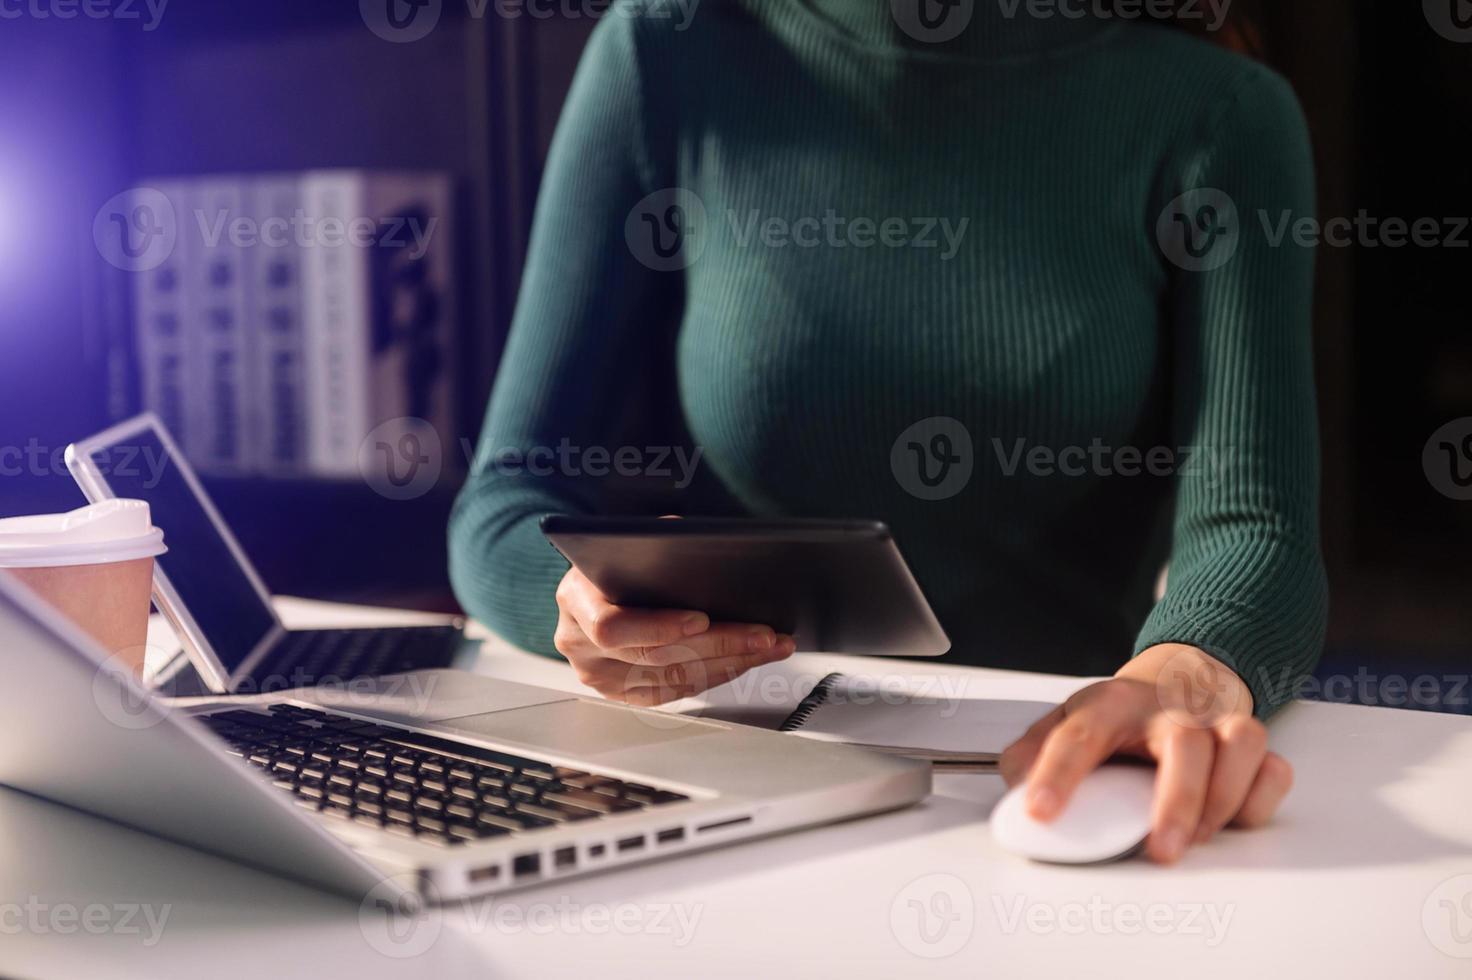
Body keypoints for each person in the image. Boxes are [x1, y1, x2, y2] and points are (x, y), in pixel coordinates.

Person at [449, 0, 1326, 864]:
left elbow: (1256, 528)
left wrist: (1179, 678)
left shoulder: (1219, 114)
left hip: (1043, 769)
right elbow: (508, 496)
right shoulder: (665, 53)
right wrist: (585, 605)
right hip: (719, 779)